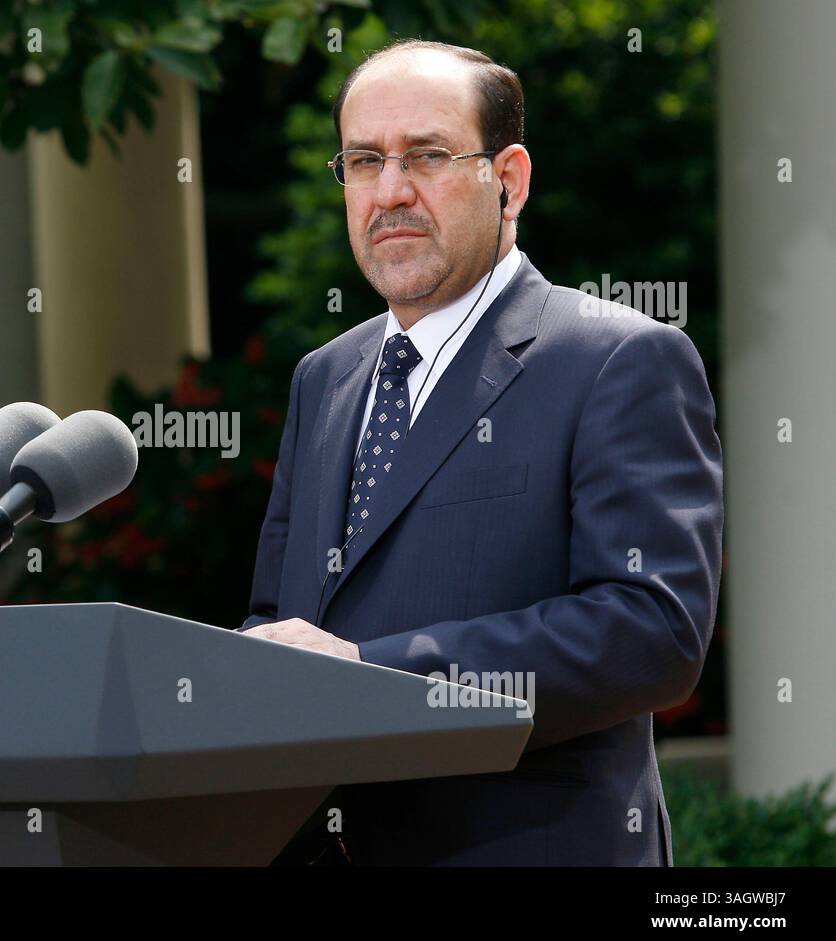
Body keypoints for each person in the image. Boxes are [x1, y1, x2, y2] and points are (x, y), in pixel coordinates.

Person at [243, 39, 723, 865]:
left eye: (426, 156)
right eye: (364, 161)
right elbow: (278, 621)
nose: (391, 191)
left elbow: (653, 632)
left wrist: (370, 674)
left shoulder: (616, 359)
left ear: (510, 178)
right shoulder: (324, 377)